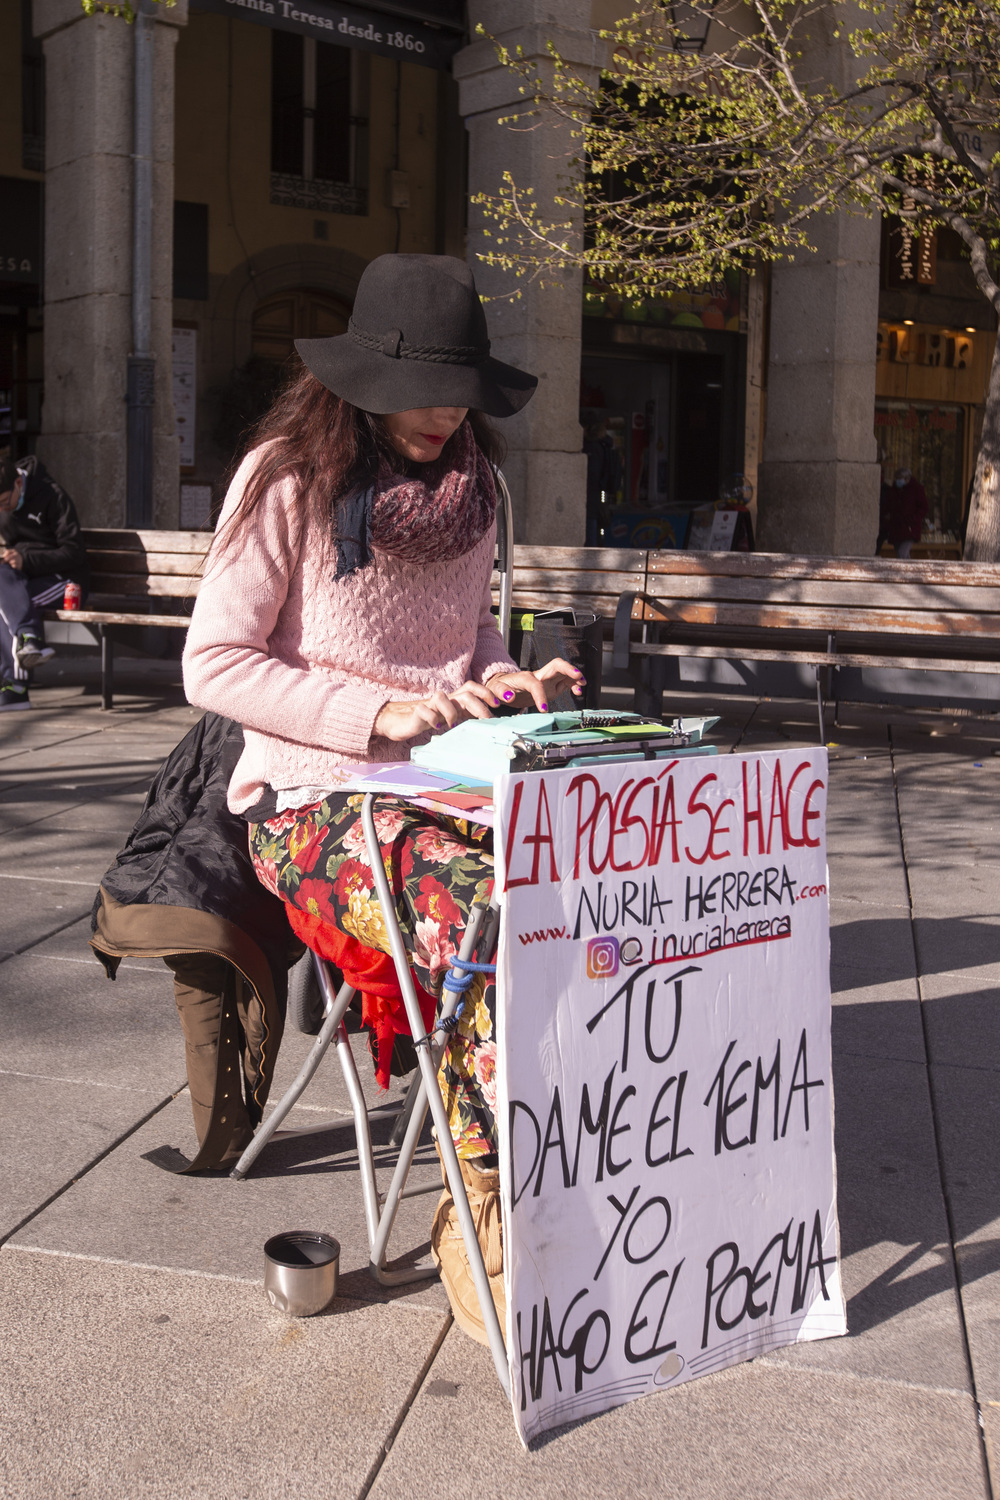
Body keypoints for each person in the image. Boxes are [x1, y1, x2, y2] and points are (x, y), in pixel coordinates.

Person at [182, 254, 584, 1176]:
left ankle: (578, 1138)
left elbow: (472, 632)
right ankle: (499, 1190)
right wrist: (378, 713)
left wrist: (511, 681)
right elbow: (211, 665)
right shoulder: (282, 480)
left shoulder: (477, 489)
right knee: (493, 913)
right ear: (362, 387)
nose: (446, 413)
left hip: (456, 784)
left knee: (590, 892)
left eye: (459, 393)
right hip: (310, 801)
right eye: (423, 392)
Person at [0, 454, 89, 710]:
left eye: (6, 502)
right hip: (27, 580)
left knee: (8, 604)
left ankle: (16, 684)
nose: (3, 510)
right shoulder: (4, 505)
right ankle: (29, 639)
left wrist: (25, 560)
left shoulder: (53, 495)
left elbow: (74, 553)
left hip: (67, 583)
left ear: (18, 483)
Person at [878, 465, 928, 559]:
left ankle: (907, 572)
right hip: (896, 528)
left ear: (907, 478)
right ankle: (908, 571)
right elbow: (887, 507)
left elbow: (923, 508)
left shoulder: (916, 489)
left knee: (902, 553)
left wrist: (913, 519)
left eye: (900, 478)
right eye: (896, 478)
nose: (897, 481)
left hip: (910, 528)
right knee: (900, 554)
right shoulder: (893, 490)